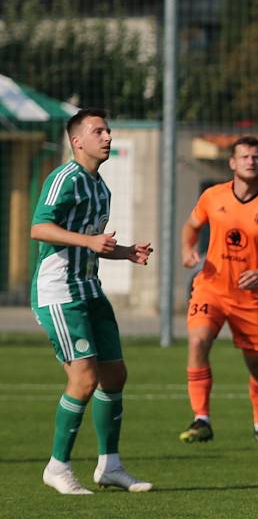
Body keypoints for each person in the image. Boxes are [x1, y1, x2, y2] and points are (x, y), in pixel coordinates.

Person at [31, 108, 153, 494]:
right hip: (59, 293)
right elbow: (39, 227)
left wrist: (126, 251)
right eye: (98, 131)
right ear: (76, 140)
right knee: (83, 380)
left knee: (114, 375)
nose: (108, 136)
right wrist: (88, 241)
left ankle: (110, 466)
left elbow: (92, 243)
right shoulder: (63, 179)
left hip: (88, 289)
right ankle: (57, 466)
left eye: (109, 130)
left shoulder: (101, 187)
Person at [179, 136, 258, 450]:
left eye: (256, 157)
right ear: (232, 162)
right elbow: (190, 227)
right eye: (244, 156)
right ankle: (201, 419)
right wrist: (188, 249)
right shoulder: (212, 196)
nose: (250, 161)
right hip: (211, 289)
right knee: (198, 340)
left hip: (249, 299)